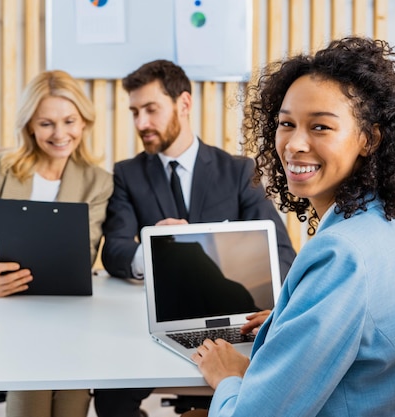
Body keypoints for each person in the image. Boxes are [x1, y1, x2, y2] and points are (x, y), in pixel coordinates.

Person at [184, 36, 395, 416]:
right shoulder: (385, 225)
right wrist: (290, 318)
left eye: (321, 127)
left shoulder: (342, 253)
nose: (294, 144)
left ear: (369, 138)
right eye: (286, 124)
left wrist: (228, 378)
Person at [95, 60, 297, 417]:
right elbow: (114, 251)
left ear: (184, 104)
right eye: (135, 112)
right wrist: (155, 248)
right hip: (160, 326)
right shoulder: (128, 174)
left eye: (151, 110)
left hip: (233, 317)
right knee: (109, 396)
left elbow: (282, 254)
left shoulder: (237, 171)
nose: (141, 123)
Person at [0, 70, 113, 417]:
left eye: (69, 121)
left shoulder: (98, 182)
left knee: (70, 406)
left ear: (84, 122)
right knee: (29, 405)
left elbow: (85, 255)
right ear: (29, 126)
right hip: (10, 316)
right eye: (46, 123)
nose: (60, 134)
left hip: (69, 318)